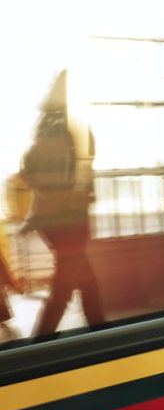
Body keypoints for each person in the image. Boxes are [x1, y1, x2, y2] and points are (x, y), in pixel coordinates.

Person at [21, 70, 105, 337]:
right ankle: (44, 342)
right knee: (67, 281)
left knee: (82, 278)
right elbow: (85, 164)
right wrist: (72, 195)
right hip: (69, 218)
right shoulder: (72, 127)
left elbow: (28, 168)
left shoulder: (46, 126)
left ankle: (100, 328)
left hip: (53, 218)